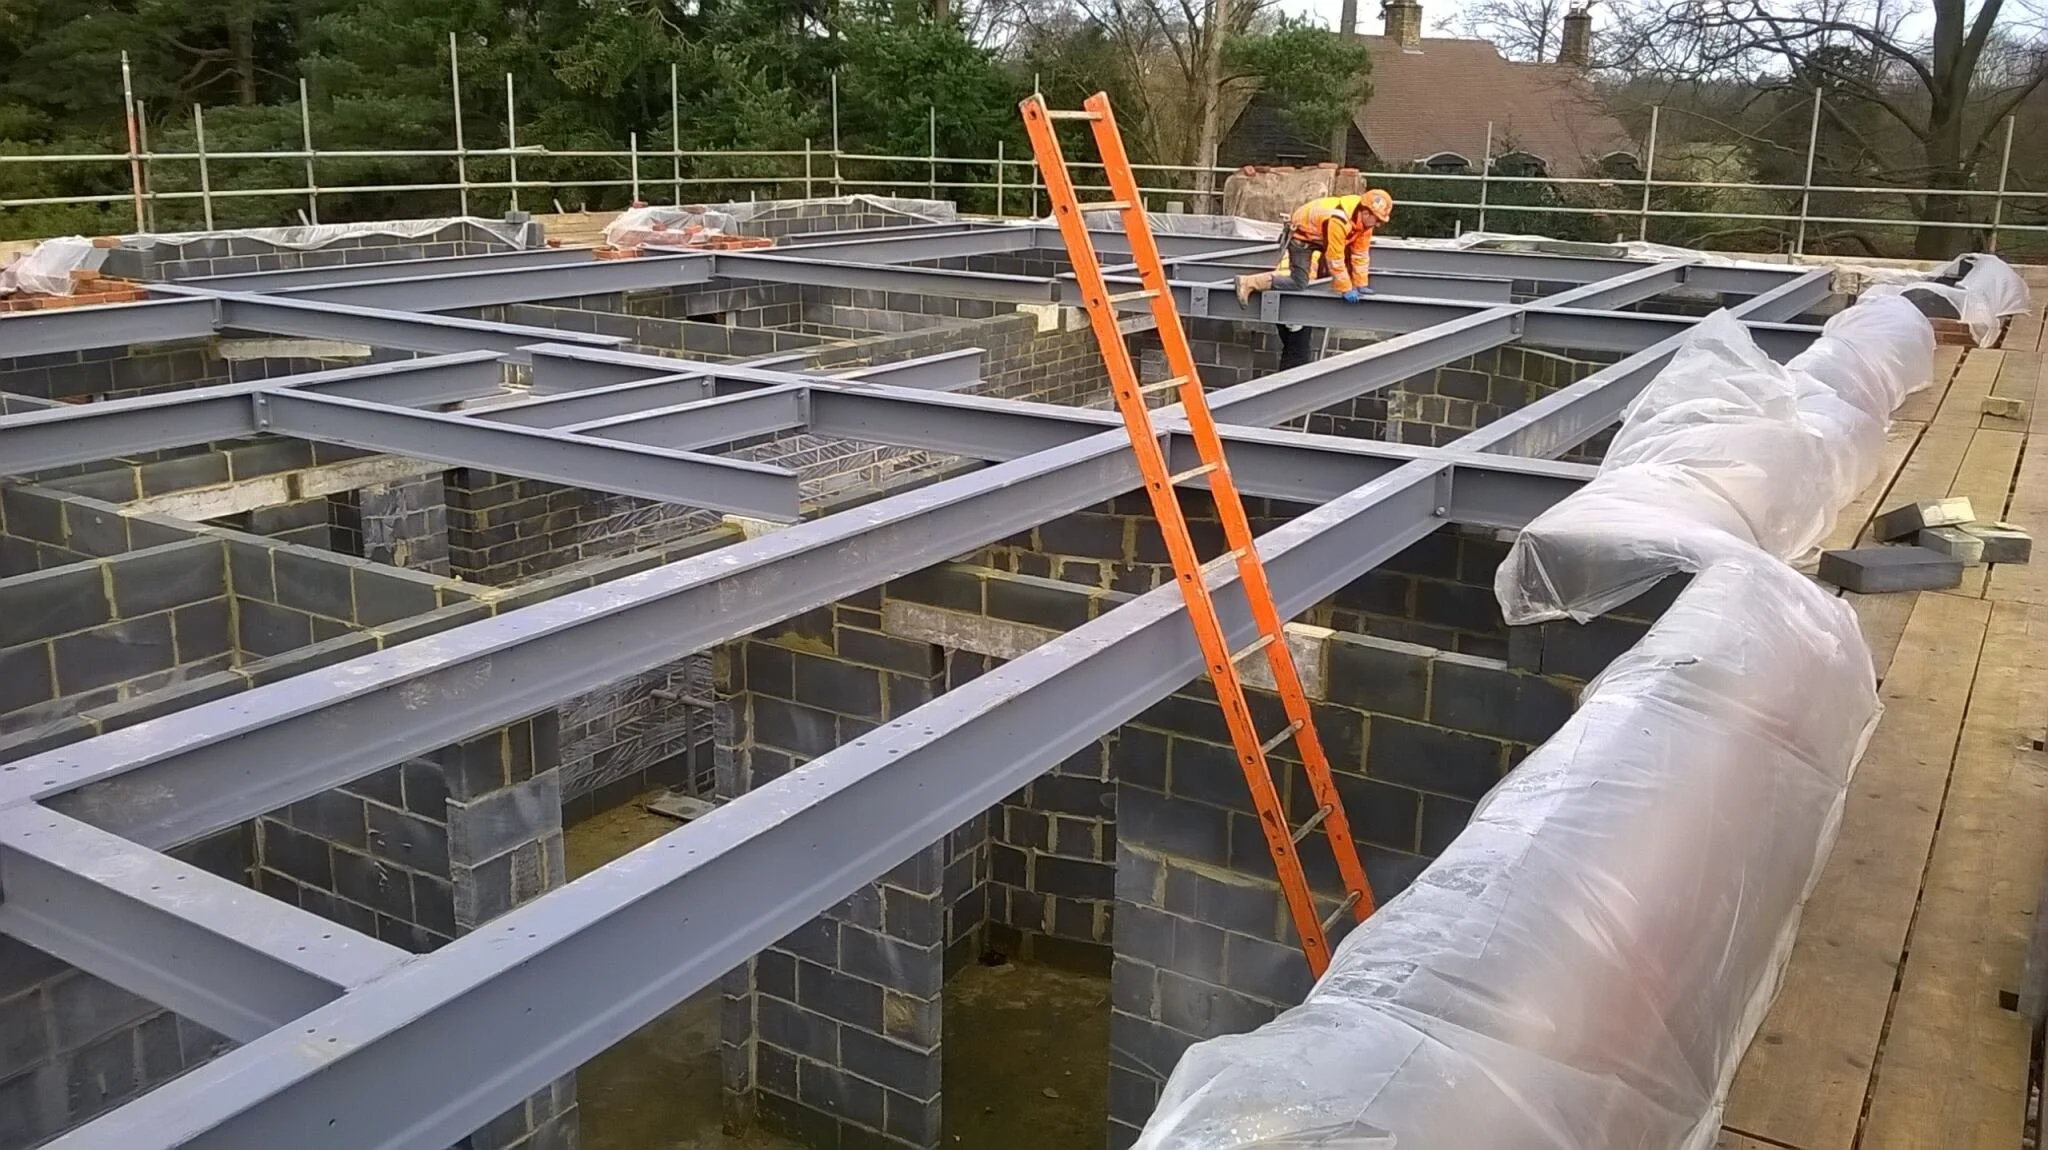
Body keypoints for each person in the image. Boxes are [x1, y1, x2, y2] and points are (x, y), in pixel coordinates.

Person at [1235, 189, 1394, 305]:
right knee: (1299, 282)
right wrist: (1346, 288)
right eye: (1378, 219)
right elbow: (1335, 257)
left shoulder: (1364, 225)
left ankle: (1335, 283)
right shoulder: (1339, 220)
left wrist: (1361, 284)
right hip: (1302, 236)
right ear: (1366, 213)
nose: (1379, 224)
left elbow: (1360, 255)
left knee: (1341, 265)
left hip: (1320, 236)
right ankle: (1248, 282)